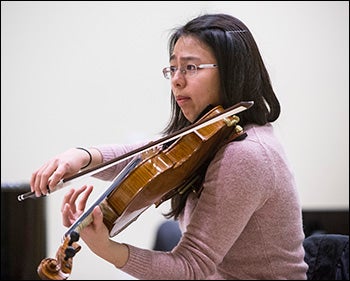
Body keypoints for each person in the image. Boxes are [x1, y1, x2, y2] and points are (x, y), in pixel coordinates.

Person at [30, 13, 308, 279]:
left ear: (232, 72)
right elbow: (147, 156)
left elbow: (191, 267)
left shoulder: (247, 153)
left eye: (190, 67)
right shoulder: (213, 134)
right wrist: (81, 157)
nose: (176, 79)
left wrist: (108, 250)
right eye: (173, 68)